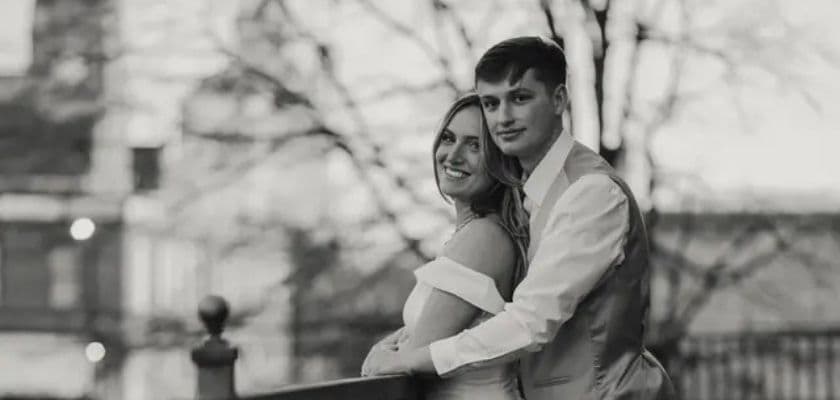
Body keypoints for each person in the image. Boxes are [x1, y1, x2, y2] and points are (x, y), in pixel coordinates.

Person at [363, 36, 675, 399]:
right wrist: (403, 342)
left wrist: (417, 359)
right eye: (491, 103)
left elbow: (531, 320)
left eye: (520, 98)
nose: (503, 118)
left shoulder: (592, 192)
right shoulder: (527, 197)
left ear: (559, 99)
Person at [361, 93, 530, 400]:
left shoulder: (484, 238)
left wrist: (381, 355)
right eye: (449, 138)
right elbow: (420, 340)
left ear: (501, 160)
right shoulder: (474, 234)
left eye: (475, 145)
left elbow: (410, 358)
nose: (453, 155)